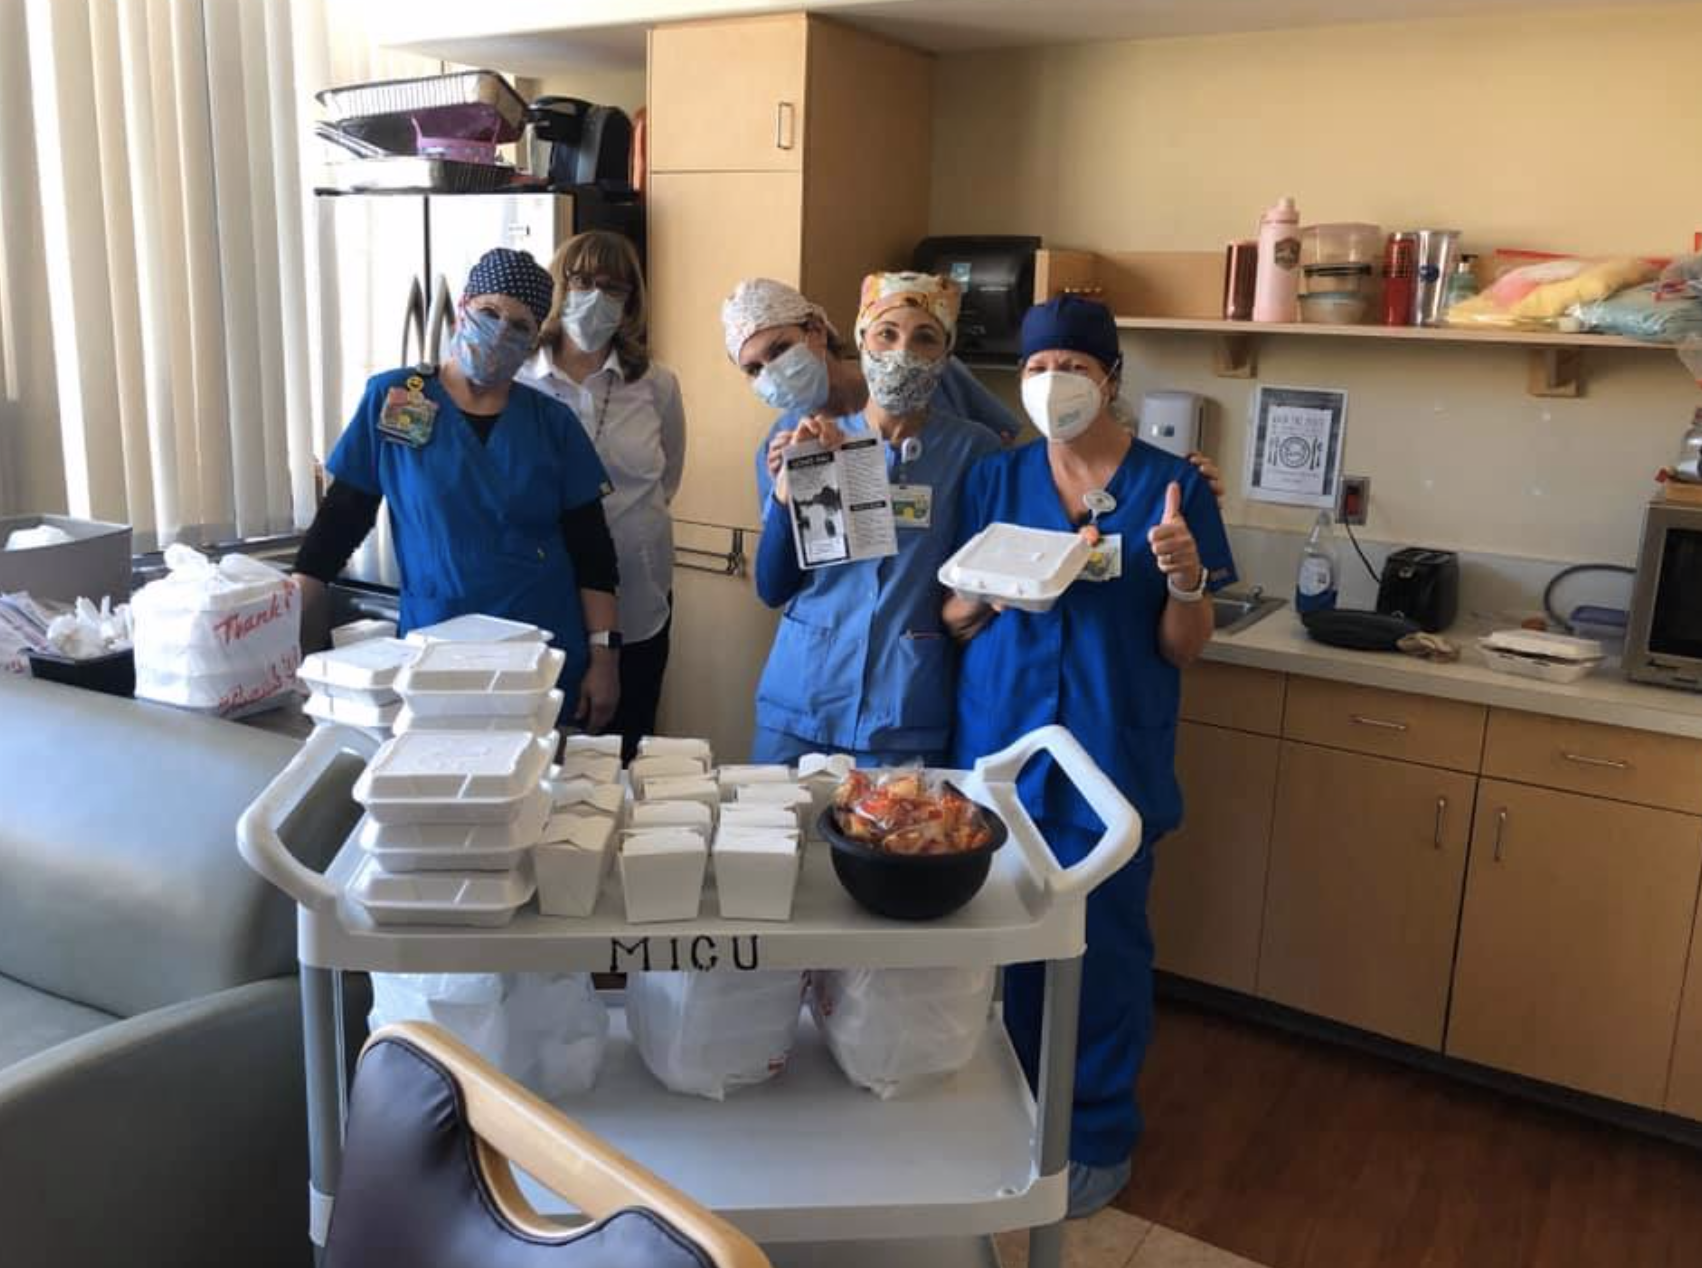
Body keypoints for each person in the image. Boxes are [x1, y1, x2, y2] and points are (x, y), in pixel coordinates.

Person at [942, 295, 1238, 1219]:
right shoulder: (997, 479)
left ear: (1109, 377)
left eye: (1071, 365)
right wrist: (992, 596)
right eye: (1035, 367)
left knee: (1100, 957)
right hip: (1002, 750)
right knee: (997, 957)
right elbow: (953, 616)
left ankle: (1092, 1139)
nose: (1051, 382)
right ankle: (1000, 1124)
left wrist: (1184, 578)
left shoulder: (1171, 488)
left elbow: (1183, 647)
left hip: (1111, 757)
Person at [294, 247, 621, 730]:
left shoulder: (552, 423)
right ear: (461, 309)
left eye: (519, 326)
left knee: (537, 770)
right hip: (434, 648)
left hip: (540, 651)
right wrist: (287, 618)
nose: (500, 332)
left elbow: (592, 550)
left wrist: (605, 657)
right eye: (489, 313)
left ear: (533, 341)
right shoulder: (400, 398)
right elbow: (343, 517)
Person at [732, 272, 1001, 765]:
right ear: (861, 340)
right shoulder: (813, 441)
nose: (902, 353)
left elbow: (979, 575)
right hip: (802, 699)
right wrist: (791, 491)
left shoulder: (973, 451)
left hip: (903, 707)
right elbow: (774, 586)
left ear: (946, 353)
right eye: (886, 334)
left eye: (925, 337)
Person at [520, 231, 686, 759]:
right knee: (542, 755)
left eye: (614, 288)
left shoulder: (656, 384)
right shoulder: (520, 379)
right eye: (583, 281)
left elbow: (666, 479)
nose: (597, 297)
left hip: (638, 599)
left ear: (631, 302)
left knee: (627, 753)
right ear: (559, 286)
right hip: (540, 596)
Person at [722, 277, 1023, 471]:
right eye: (754, 369)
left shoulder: (925, 368)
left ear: (816, 330)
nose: (772, 372)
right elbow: (787, 541)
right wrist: (787, 488)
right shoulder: (783, 444)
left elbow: (1002, 453)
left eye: (779, 350)